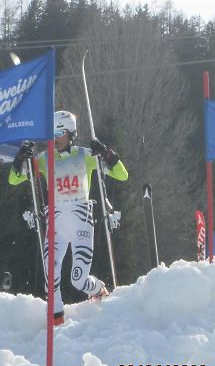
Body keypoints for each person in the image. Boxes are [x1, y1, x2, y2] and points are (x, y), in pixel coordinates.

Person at [8, 110, 128, 326]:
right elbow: (14, 180)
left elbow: (122, 175)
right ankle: (57, 322)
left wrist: (108, 155)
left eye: (59, 132)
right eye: (51, 132)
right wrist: (19, 160)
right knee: (50, 276)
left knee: (78, 279)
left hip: (81, 220)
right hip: (55, 222)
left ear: (71, 133)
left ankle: (99, 290)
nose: (54, 137)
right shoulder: (44, 160)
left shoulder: (85, 155)